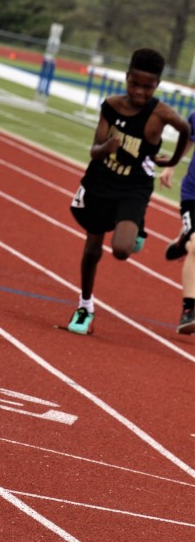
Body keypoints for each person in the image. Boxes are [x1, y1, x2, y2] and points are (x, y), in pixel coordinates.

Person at [67, 47, 190, 335]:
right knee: (93, 248)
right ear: (127, 78)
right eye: (134, 84)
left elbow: (185, 129)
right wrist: (105, 148)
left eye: (147, 87)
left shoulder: (161, 113)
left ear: (156, 85)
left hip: (133, 186)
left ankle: (137, 226)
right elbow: (95, 150)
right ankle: (85, 306)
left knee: (122, 250)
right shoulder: (111, 105)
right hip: (101, 180)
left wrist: (172, 160)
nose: (139, 92)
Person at [158, 109, 195, 334]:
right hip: (194, 193)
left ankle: (184, 240)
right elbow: (189, 140)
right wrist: (171, 167)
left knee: (193, 245)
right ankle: (189, 310)